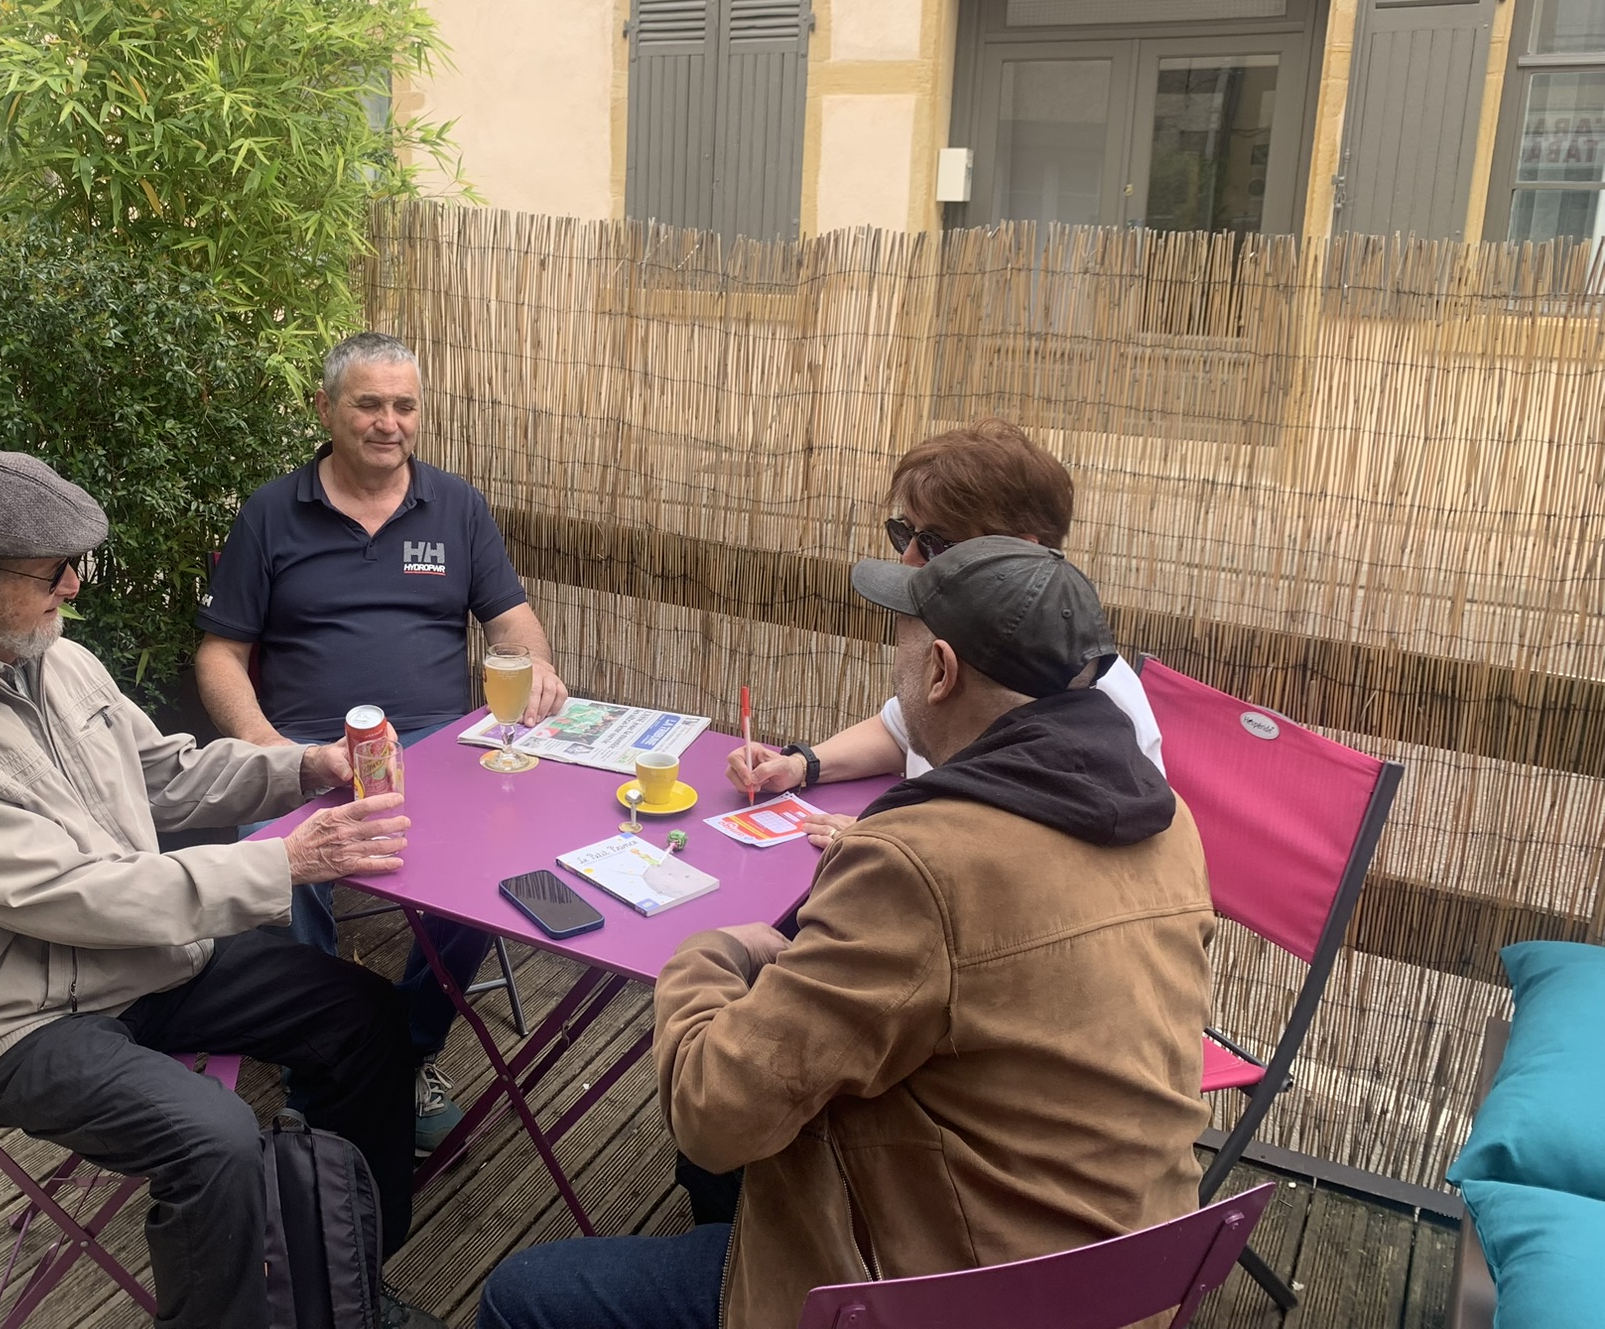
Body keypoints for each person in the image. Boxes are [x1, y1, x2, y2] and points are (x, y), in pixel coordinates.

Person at [478, 538, 1214, 1329]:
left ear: (939, 668)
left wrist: (711, 951)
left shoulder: (923, 864)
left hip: (952, 1295)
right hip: (1133, 1269)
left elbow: (710, 1107)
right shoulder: (1166, 823)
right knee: (744, 1155)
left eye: (899, 632)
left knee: (521, 1296)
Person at [0, 447, 440, 1329]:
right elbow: (78, 895)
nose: (73, 588)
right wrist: (286, 863)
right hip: (18, 1020)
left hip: (140, 960)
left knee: (367, 1018)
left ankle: (344, 1286)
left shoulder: (50, 658)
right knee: (217, 1141)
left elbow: (164, 776)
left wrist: (305, 768)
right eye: (52, 572)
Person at [195, 331, 569, 1152]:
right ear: (326, 409)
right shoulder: (270, 513)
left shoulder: (458, 506)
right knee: (287, 869)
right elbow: (220, 652)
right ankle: (321, 1060)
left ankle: (410, 1044)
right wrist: (265, 750)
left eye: (404, 405)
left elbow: (510, 620)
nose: (388, 422)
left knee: (499, 863)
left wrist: (535, 665)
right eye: (368, 404)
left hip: (438, 750)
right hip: (302, 751)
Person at [726, 419, 1163, 845]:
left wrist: (893, 841)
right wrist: (802, 764)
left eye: (936, 542)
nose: (910, 557)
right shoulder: (971, 639)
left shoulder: (1096, 714)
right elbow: (902, 730)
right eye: (906, 533)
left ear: (1019, 552)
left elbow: (1022, 850)